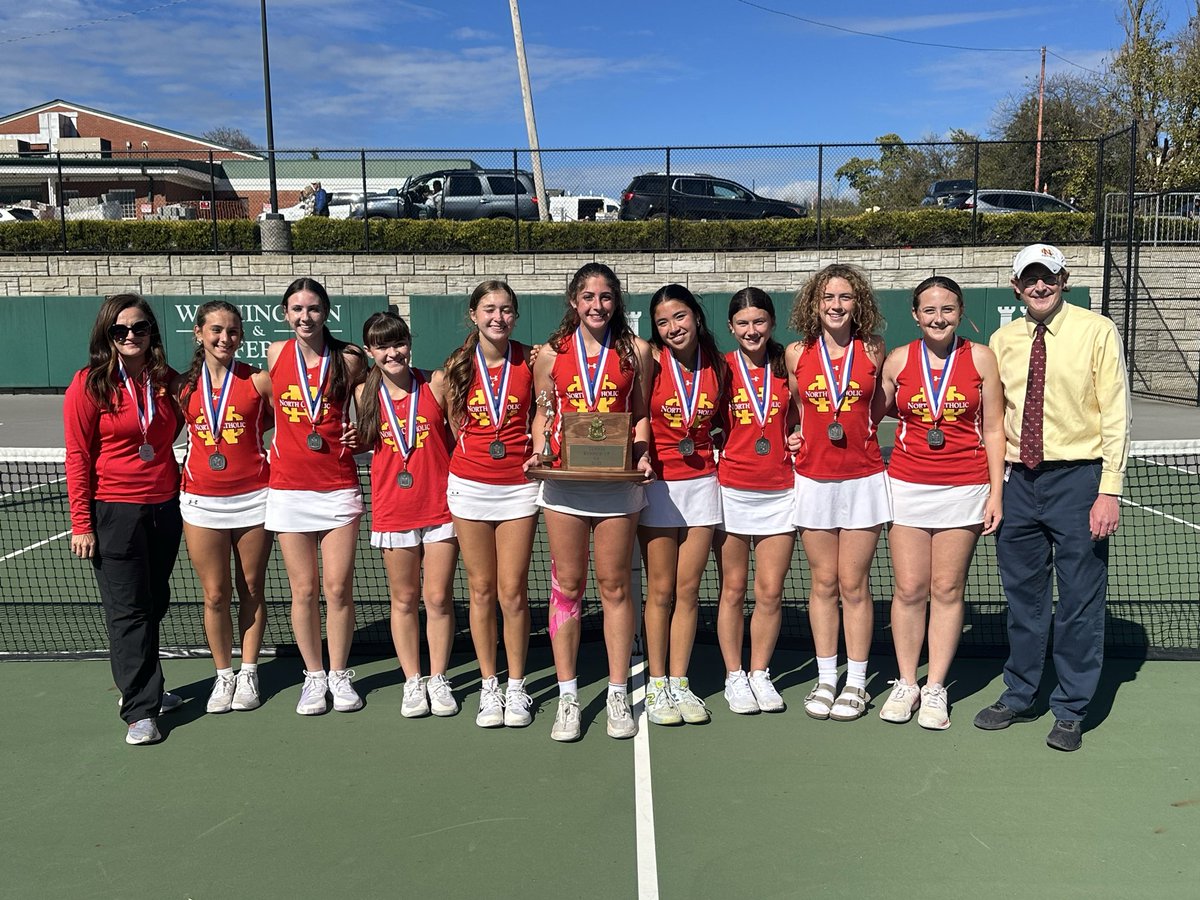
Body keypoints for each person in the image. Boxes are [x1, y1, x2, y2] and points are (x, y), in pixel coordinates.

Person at [974, 244, 1131, 752]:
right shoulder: (1001, 340)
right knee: (1024, 600)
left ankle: (1070, 709)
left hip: (1079, 481)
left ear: (1063, 279)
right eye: (1030, 279)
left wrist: (1108, 490)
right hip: (1018, 483)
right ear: (1016, 286)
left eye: (1049, 277)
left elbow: (1115, 414)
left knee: (1080, 604)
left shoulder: (1096, 329)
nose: (1040, 286)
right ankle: (1020, 694)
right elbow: (992, 420)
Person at [529, 262, 655, 742]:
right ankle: (567, 695)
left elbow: (639, 416)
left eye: (605, 297)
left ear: (615, 301)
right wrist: (540, 449)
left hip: (616, 484)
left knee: (615, 586)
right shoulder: (550, 355)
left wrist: (641, 455)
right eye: (587, 297)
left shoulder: (636, 351)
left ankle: (619, 691)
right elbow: (544, 412)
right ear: (573, 302)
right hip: (565, 484)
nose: (596, 306)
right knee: (567, 585)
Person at [875, 276, 1005, 730]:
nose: (938, 318)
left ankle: (935, 689)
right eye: (929, 310)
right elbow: (867, 414)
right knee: (910, 589)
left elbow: (993, 430)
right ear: (915, 315)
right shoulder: (897, 360)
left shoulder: (981, 358)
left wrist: (996, 493)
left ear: (960, 311)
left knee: (947, 590)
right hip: (907, 486)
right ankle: (908, 682)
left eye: (947, 309)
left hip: (964, 488)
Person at [64, 294, 185, 746]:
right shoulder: (88, 384)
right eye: (120, 330)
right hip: (114, 512)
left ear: (152, 332)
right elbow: (77, 456)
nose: (131, 336)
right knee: (128, 611)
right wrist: (82, 523)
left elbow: (178, 424)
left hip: (165, 508)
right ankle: (139, 710)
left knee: (154, 602)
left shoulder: (166, 382)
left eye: (139, 328)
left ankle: (146, 685)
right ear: (107, 336)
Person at [785, 264, 891, 723]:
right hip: (813, 480)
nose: (836, 305)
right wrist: (793, 436)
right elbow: (795, 408)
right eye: (827, 297)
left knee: (855, 584)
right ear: (814, 303)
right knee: (823, 583)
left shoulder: (873, 350)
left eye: (845, 297)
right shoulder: (795, 354)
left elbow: (879, 406)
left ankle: (856, 681)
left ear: (858, 304)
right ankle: (827, 676)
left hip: (864, 479)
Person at [265, 278, 367, 716]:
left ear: (327, 312)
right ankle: (313, 676)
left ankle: (340, 674)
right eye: (296, 309)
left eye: (313, 308)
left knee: (338, 588)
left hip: (338, 486)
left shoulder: (349, 359)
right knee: (303, 590)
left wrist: (360, 432)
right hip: (288, 489)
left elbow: (373, 410)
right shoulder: (274, 355)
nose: (305, 317)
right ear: (285, 314)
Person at [355, 311, 460, 720]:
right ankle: (413, 681)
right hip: (392, 508)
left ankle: (438, 678)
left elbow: (458, 433)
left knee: (437, 598)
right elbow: (361, 439)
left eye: (398, 342)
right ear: (369, 351)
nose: (392, 351)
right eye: (382, 345)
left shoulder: (435, 383)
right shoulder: (364, 390)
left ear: (409, 343)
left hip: (439, 506)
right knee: (403, 600)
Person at [443, 281, 538, 729]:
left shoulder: (532, 361)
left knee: (512, 590)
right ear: (473, 316)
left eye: (505, 310)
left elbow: (542, 414)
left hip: (519, 487)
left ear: (515, 316)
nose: (497, 317)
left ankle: (517, 686)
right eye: (489, 309)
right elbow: (450, 425)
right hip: (469, 487)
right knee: (481, 590)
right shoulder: (457, 367)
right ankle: (489, 685)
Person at [175, 301, 274, 714]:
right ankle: (223, 676)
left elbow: (288, 418)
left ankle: (248, 671)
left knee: (251, 587)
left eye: (232, 331)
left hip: (254, 498)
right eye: (216, 330)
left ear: (241, 336)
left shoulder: (258, 381)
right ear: (198, 333)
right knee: (215, 594)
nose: (224, 338)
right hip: (201, 502)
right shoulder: (182, 387)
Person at [639, 284, 726, 727]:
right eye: (662, 322)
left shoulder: (719, 365)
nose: (673, 328)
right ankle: (656, 684)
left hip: (703, 485)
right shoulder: (648, 362)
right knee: (660, 590)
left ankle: (680, 680)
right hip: (659, 486)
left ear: (696, 315)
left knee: (688, 590)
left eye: (680, 317)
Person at [715, 287, 796, 715]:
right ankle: (734, 676)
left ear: (771, 324)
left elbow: (803, 416)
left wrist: (797, 434)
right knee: (733, 589)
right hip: (730, 490)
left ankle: (760, 673)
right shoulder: (721, 369)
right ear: (731, 328)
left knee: (770, 592)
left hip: (781, 491)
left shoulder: (789, 367)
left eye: (759, 322)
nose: (752, 330)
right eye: (743, 323)